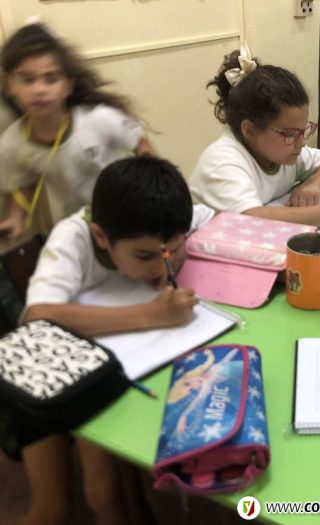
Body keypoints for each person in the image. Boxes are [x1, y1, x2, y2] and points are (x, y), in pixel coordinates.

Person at [16, 156, 213, 525]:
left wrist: (176, 256)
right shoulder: (72, 239)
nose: (160, 267)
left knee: (112, 485)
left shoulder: (164, 223)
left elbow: (210, 217)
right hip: (41, 373)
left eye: (170, 251)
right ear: (101, 237)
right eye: (145, 256)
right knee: (64, 505)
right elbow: (37, 317)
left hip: (109, 366)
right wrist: (150, 315)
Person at [0, 22, 152, 248]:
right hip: (78, 226)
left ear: (68, 85)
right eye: (27, 79)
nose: (39, 89)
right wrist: (15, 219)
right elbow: (23, 182)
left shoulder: (99, 119)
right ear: (8, 85)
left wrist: (149, 191)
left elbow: (142, 146)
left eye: (51, 79)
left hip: (127, 213)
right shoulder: (12, 144)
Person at [189, 44, 320, 227]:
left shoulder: (284, 150)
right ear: (250, 130)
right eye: (291, 134)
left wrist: (313, 186)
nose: (301, 143)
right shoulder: (222, 162)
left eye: (303, 130)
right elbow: (249, 219)